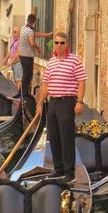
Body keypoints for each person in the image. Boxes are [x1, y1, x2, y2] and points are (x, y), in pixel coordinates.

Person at [36, 32, 86, 184]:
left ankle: (70, 174)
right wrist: (39, 103)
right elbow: (46, 85)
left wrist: (80, 101)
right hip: (53, 102)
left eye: (62, 43)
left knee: (66, 138)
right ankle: (58, 169)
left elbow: (82, 81)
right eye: (56, 43)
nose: (59, 45)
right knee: (54, 136)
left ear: (67, 45)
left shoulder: (74, 61)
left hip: (67, 102)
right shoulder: (51, 62)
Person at [19, 14, 52, 96]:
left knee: (25, 75)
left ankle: (22, 92)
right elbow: (32, 43)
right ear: (34, 22)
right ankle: (23, 94)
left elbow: (35, 34)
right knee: (27, 75)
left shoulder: (23, 28)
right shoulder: (30, 31)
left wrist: (48, 34)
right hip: (27, 56)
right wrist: (38, 48)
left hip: (22, 56)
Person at [3, 26, 22, 92]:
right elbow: (10, 50)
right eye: (13, 32)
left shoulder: (20, 41)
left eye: (15, 32)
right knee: (14, 80)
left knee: (18, 80)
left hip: (18, 63)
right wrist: (5, 59)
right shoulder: (12, 39)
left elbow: (19, 52)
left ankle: (17, 96)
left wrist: (12, 61)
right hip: (13, 63)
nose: (13, 33)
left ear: (19, 33)